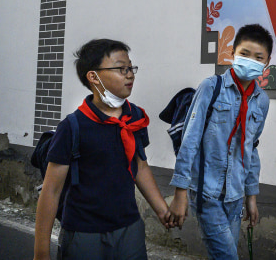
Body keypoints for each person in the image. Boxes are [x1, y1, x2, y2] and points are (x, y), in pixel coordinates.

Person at [33, 39, 173, 260]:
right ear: (94, 77)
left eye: (130, 68)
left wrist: (162, 209)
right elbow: (51, 191)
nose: (130, 75)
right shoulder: (73, 126)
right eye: (121, 68)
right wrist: (41, 252)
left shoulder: (134, 117)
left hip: (129, 229)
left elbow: (140, 167)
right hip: (83, 233)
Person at [169, 24, 272, 260]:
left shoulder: (261, 101)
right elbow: (190, 141)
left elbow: (251, 149)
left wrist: (251, 197)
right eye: (244, 54)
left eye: (258, 57)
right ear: (232, 53)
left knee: (225, 254)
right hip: (207, 194)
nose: (250, 60)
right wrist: (180, 192)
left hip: (235, 197)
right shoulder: (211, 87)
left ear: (266, 63)